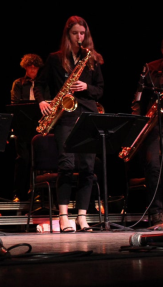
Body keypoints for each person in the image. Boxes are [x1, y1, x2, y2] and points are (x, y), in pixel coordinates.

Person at [33, 15, 104, 232]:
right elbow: (40, 84)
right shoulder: (55, 59)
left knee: (87, 168)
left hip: (88, 116)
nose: (80, 37)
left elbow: (100, 90)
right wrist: (42, 101)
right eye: (75, 33)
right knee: (66, 166)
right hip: (65, 116)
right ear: (68, 34)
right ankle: (64, 217)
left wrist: (86, 87)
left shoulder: (92, 59)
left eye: (83, 33)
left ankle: (82, 217)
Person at [130, 39, 163, 230]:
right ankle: (156, 214)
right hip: (154, 125)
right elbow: (138, 98)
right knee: (154, 167)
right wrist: (137, 125)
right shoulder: (151, 68)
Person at [10, 53, 49, 202]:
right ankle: (19, 193)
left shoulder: (44, 84)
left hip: (41, 126)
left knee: (40, 160)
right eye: (30, 67)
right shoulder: (18, 83)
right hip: (23, 127)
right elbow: (14, 104)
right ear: (25, 67)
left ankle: (39, 193)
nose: (33, 70)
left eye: (35, 67)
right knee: (23, 159)